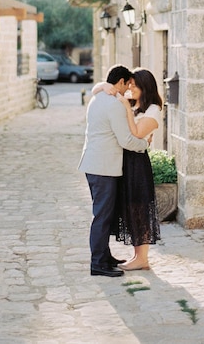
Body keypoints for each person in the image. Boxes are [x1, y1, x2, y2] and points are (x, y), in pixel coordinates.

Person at [78, 65, 151, 277]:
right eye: (127, 84)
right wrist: (145, 144)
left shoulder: (97, 97)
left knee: (105, 214)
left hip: (94, 165)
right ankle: (98, 263)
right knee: (102, 216)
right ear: (119, 82)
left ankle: (104, 255)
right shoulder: (113, 104)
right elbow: (126, 140)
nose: (128, 89)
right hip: (103, 167)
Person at [93, 67, 162, 271]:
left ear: (144, 86)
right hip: (124, 162)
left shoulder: (153, 109)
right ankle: (136, 256)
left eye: (133, 84)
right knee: (130, 207)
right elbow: (95, 90)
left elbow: (137, 132)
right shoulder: (133, 105)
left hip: (138, 163)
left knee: (140, 208)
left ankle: (142, 258)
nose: (129, 87)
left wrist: (124, 106)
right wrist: (104, 85)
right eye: (128, 83)